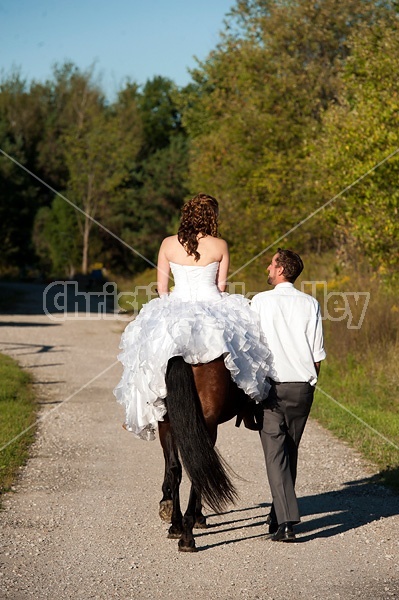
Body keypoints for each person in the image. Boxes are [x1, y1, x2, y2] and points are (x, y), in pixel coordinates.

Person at [114, 193, 271, 440]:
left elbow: (162, 289)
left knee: (144, 352)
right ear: (212, 217)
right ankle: (248, 407)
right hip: (213, 302)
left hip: (176, 302)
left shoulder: (167, 244)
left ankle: (140, 408)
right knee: (248, 344)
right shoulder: (220, 245)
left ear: (186, 215)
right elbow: (221, 287)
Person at [251, 248, 326, 542]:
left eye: (271, 263)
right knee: (289, 451)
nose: (267, 267)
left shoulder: (259, 301)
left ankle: (287, 523)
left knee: (275, 454)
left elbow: (251, 347)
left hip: (273, 388)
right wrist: (309, 381)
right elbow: (317, 354)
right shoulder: (311, 304)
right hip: (303, 388)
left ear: (281, 269)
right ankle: (278, 514)